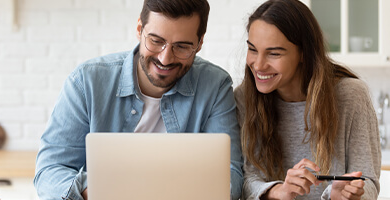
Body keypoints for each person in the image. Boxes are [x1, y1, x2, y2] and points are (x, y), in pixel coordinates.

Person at [34, 0, 244, 199]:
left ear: (199, 43)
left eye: (182, 46)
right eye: (156, 41)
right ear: (139, 29)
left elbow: (231, 175)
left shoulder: (215, 86)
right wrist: (98, 191)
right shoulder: (86, 82)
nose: (165, 58)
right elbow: (49, 171)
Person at [233, 0, 381, 199]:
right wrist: (280, 191)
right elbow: (247, 179)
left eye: (274, 53)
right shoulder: (245, 97)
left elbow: (369, 181)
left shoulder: (351, 96)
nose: (258, 65)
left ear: (304, 53)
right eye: (252, 49)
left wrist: (345, 194)